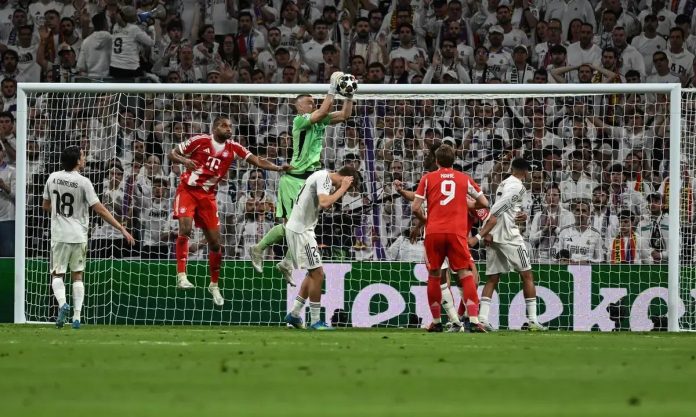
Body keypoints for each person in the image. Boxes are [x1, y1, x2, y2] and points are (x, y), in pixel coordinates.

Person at [169, 116, 289, 306]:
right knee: (185, 229)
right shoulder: (200, 140)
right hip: (188, 190)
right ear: (215, 127)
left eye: (231, 126)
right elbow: (172, 153)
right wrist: (184, 160)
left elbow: (257, 160)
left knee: (216, 244)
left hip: (208, 196)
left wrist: (278, 167)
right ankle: (181, 275)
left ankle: (214, 285)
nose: (229, 129)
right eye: (224, 126)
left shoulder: (233, 147)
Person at [250, 71, 353, 280]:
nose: (313, 104)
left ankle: (287, 262)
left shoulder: (320, 120)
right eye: (309, 102)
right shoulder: (300, 121)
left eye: (314, 102)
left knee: (305, 227)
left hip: (309, 179)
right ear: (298, 107)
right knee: (292, 226)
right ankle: (258, 249)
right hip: (294, 179)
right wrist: (332, 89)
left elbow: (344, 115)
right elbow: (321, 112)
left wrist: (349, 95)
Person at [42, 146, 135, 329]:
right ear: (77, 161)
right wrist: (121, 228)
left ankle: (63, 304)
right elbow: (100, 210)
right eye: (83, 156)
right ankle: (76, 317)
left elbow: (45, 205)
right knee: (77, 276)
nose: (84, 159)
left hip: (60, 234)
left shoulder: (52, 177)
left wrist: (61, 213)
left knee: (57, 274)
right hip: (79, 235)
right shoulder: (84, 182)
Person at [412, 144, 490, 333]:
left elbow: (415, 207)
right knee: (465, 274)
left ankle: (437, 321)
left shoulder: (427, 178)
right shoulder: (464, 178)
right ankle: (473, 320)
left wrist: (427, 220)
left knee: (434, 275)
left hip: (434, 232)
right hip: (457, 232)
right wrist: (466, 204)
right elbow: (484, 203)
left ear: (436, 160)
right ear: (454, 160)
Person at [469, 157, 547, 331]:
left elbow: (506, 208)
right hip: (509, 236)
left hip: (495, 235)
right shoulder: (519, 187)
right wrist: (483, 233)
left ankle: (482, 319)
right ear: (525, 172)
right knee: (527, 275)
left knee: (493, 278)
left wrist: (520, 215)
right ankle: (533, 320)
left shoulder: (504, 183)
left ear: (512, 169)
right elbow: (497, 209)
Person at [284, 166, 358, 330]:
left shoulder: (323, 178)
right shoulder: (324, 178)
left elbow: (325, 203)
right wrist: (342, 188)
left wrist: (339, 190)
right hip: (301, 231)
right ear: (345, 178)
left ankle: (294, 314)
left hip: (302, 229)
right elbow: (325, 203)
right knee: (318, 274)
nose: (346, 191)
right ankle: (315, 321)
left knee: (312, 273)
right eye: (348, 186)